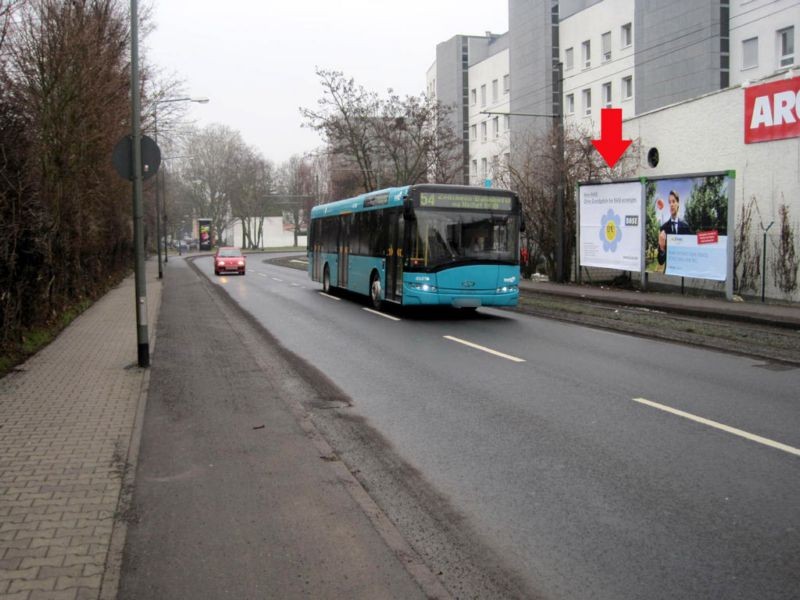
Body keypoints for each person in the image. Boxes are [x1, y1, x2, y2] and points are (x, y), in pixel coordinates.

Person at [657, 190, 692, 267]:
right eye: (669, 202)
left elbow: (690, 253)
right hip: (669, 272)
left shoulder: (685, 226)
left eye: (673, 201)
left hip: (683, 270)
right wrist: (662, 248)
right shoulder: (663, 228)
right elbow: (660, 261)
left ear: (678, 203)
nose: (671, 204)